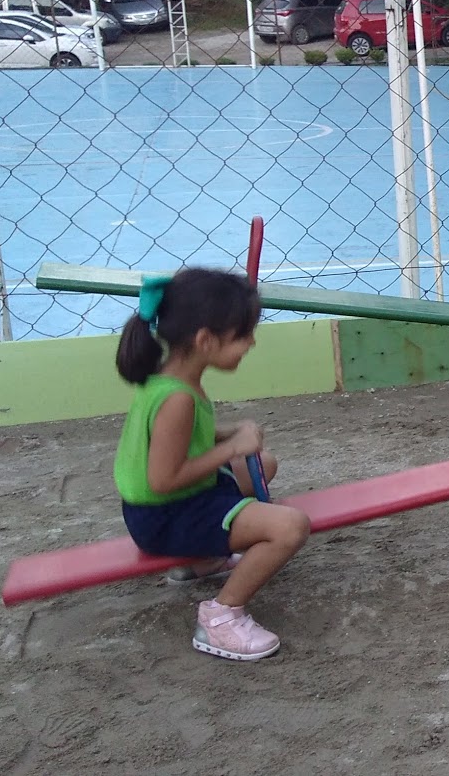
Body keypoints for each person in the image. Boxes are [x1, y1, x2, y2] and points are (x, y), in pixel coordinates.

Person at [114, 267, 311, 660]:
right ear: (205, 340)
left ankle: (202, 561)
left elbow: (176, 440)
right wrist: (232, 447)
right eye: (244, 335)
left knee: (264, 464)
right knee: (290, 527)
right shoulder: (178, 399)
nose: (252, 343)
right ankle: (221, 617)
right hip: (167, 516)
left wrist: (226, 435)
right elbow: (163, 479)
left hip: (168, 505)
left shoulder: (168, 380)